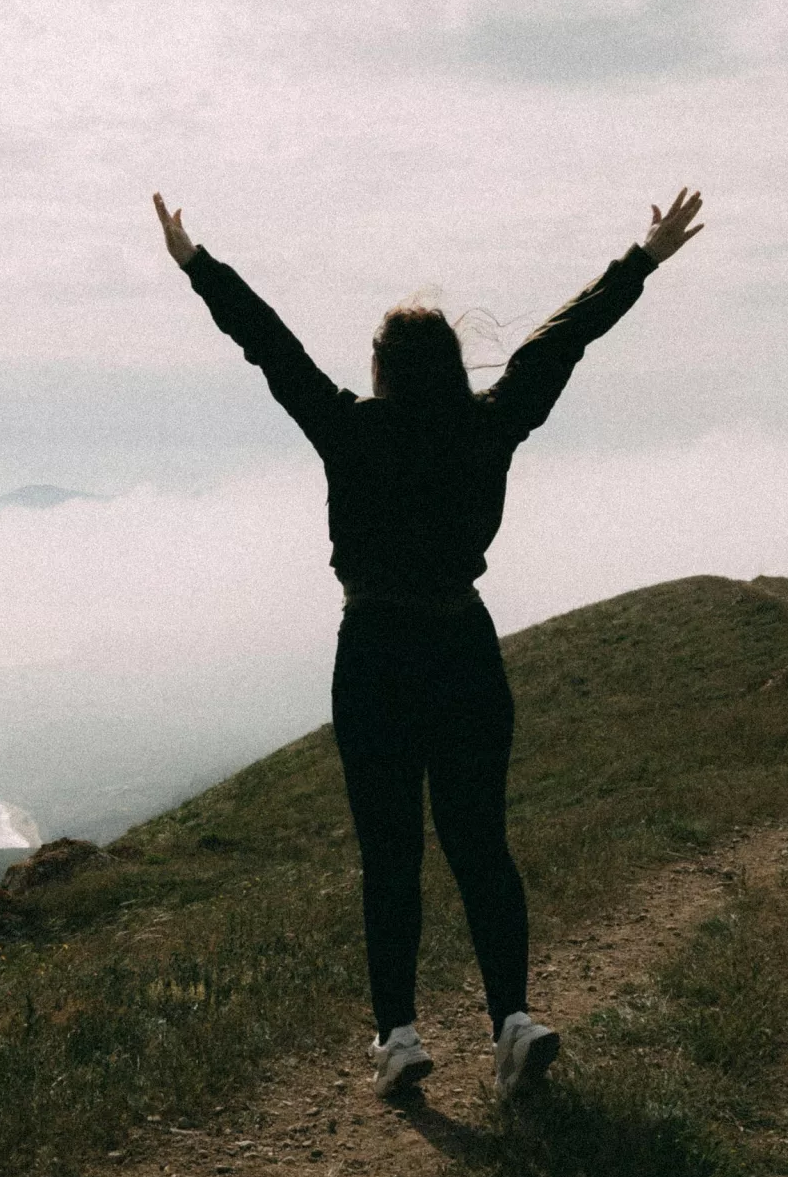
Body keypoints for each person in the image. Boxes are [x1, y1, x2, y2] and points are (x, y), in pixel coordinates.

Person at [152, 186, 706, 1099]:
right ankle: (512, 1021)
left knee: (390, 852)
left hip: (374, 652)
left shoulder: (348, 428)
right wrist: (640, 260)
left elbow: (270, 345)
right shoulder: (488, 426)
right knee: (481, 842)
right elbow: (559, 340)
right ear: (449, 365)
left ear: (381, 368)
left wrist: (195, 264)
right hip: (463, 648)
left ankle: (400, 1038)